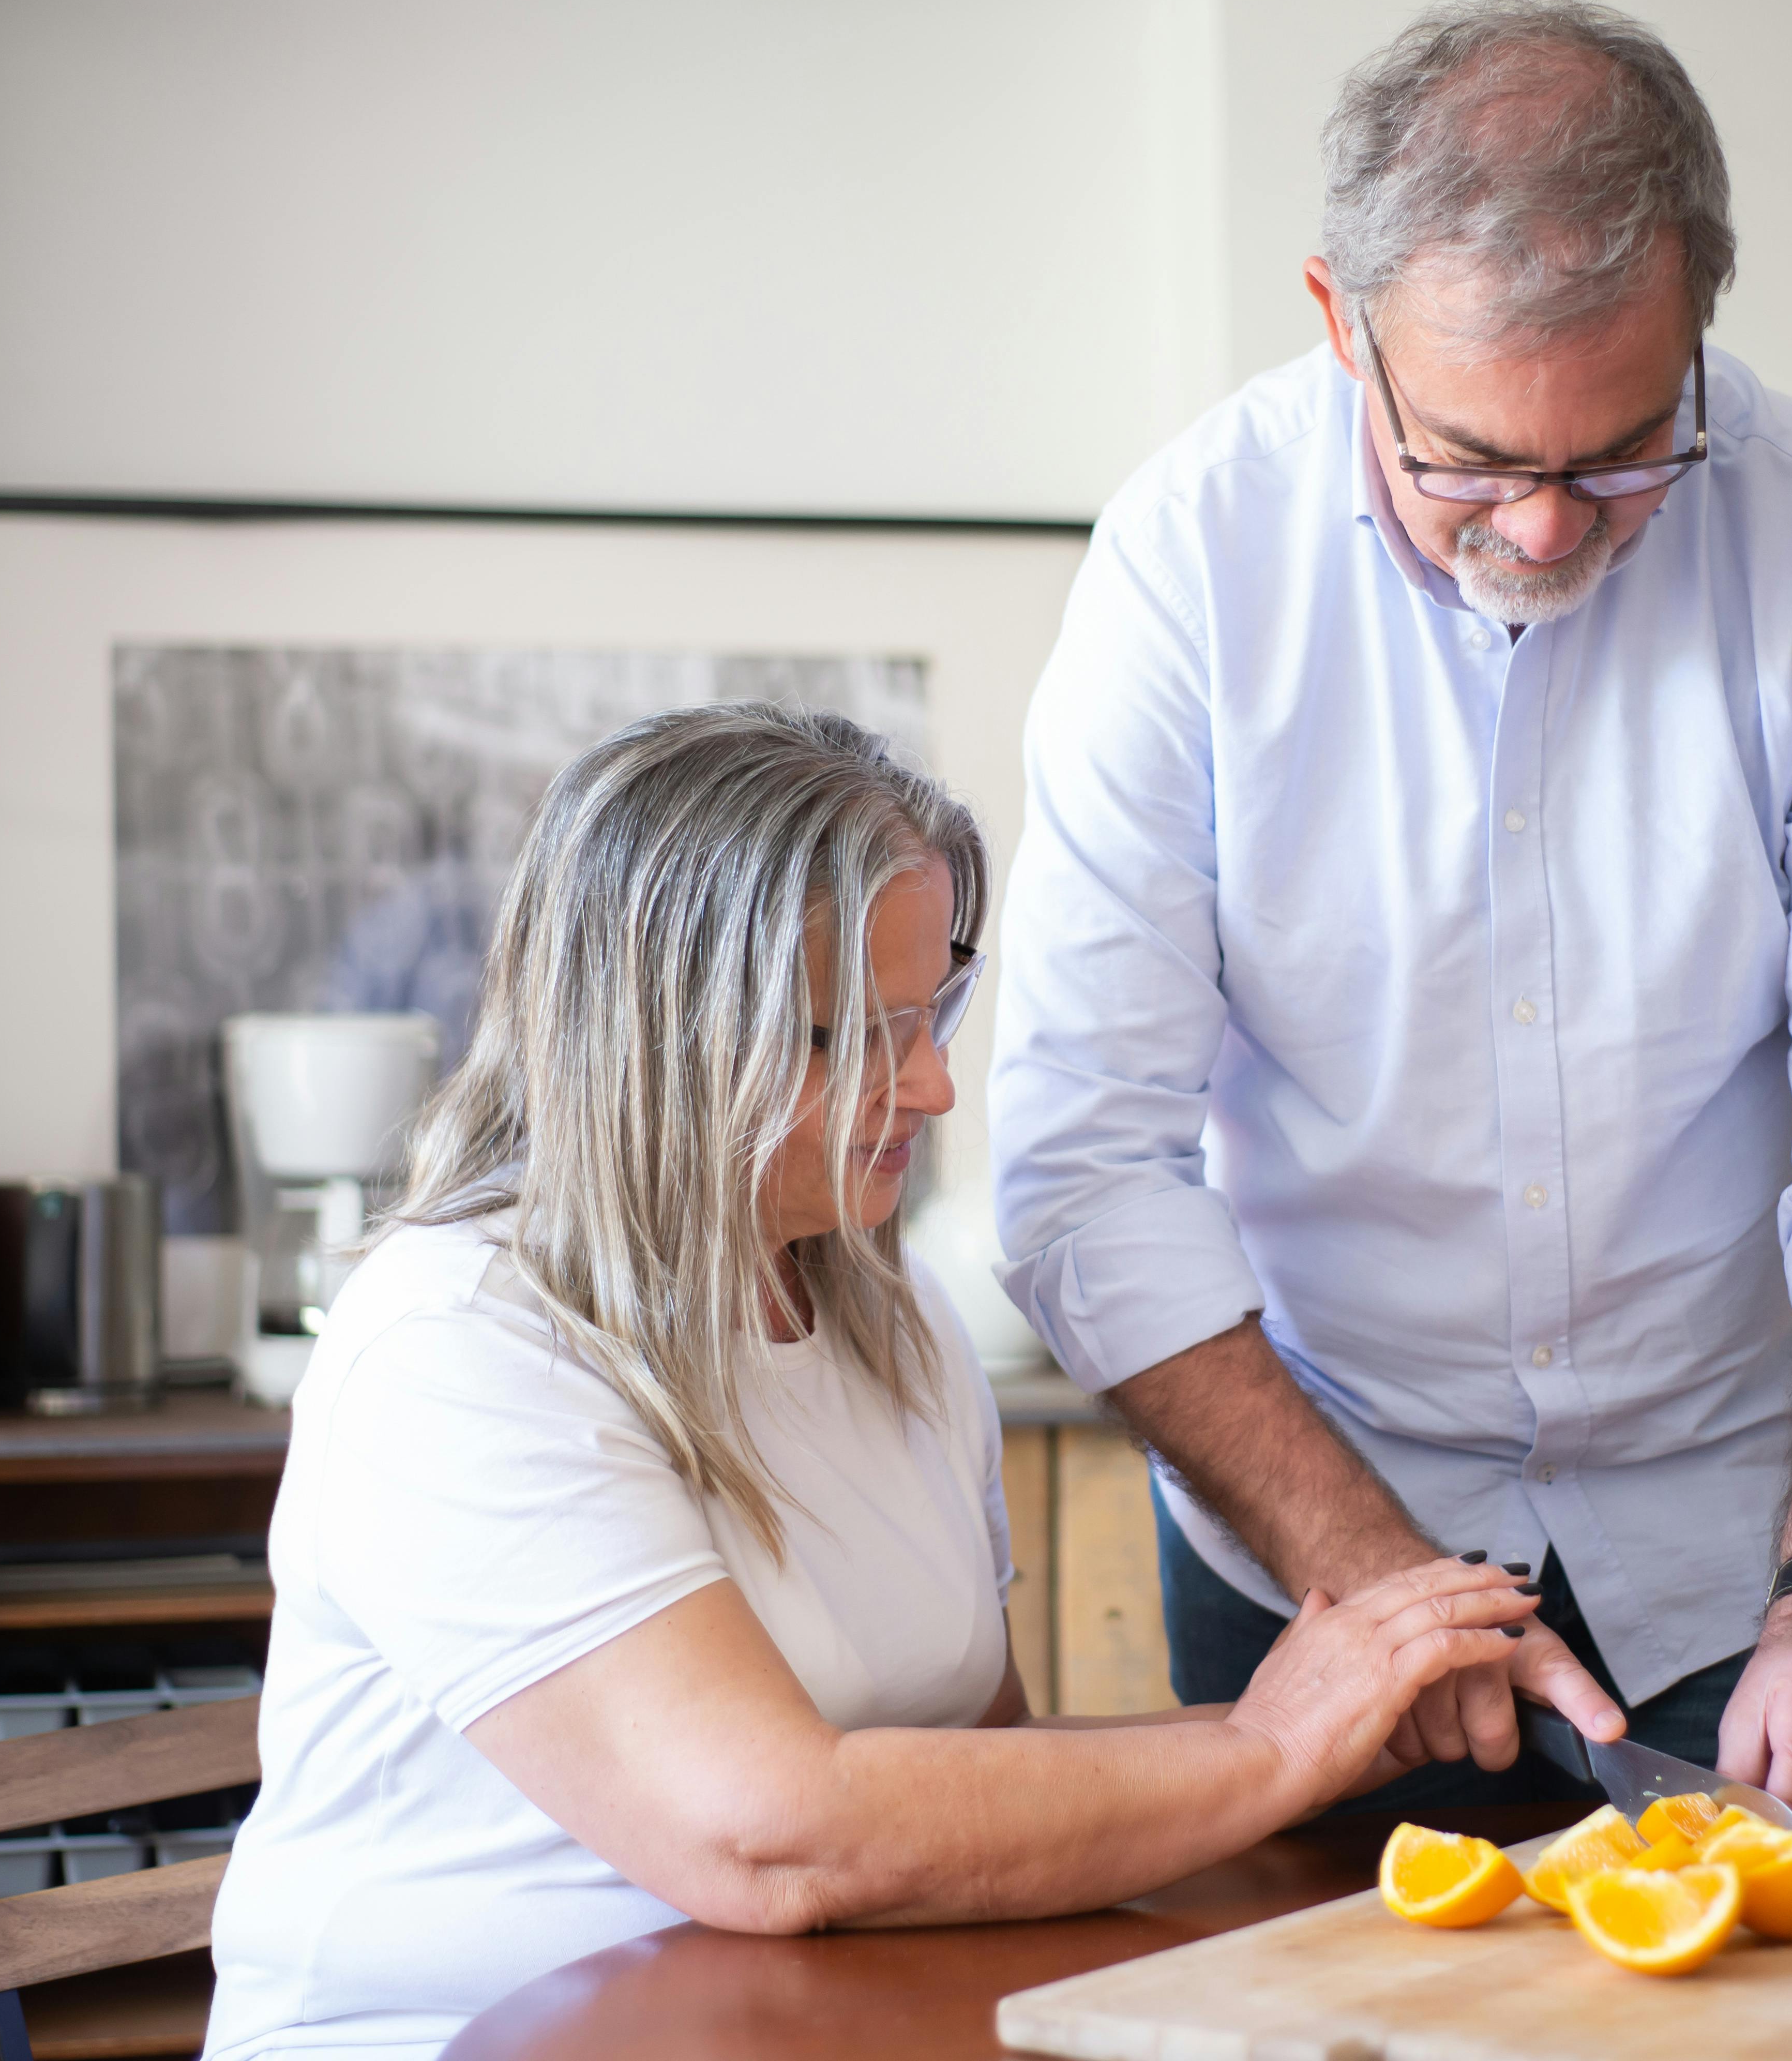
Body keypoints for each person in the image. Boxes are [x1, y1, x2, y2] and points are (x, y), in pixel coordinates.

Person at [990, 0, 1792, 1846]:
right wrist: (1374, 1574)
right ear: (1340, 322)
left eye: (1627, 452)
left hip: (1731, 1557)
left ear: (1706, 305)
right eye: (1470, 460)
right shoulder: (1184, 570)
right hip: (1310, 1528)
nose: (1549, 531)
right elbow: (1088, 1172)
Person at [203, 704, 1542, 2060]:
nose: (935, 1087)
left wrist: (1348, 1723)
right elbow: (774, 1838)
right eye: (850, 1037)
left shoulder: (883, 1311)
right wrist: (1263, 1753)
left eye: (933, 1014)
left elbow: (978, 1778)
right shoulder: (455, 1345)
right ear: (658, 1038)